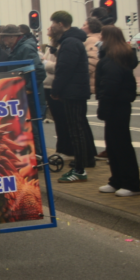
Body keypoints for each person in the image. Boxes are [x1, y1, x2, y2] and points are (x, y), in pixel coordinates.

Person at [95, 25, 140, 196]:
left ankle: (131, 184)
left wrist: (103, 108)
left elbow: (109, 86)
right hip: (118, 105)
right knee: (114, 144)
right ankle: (117, 180)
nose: (99, 39)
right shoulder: (117, 57)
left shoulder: (112, 60)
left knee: (120, 145)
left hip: (116, 106)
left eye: (102, 36)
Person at [48, 11, 93, 183]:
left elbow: (64, 70)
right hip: (75, 91)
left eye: (53, 23)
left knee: (76, 130)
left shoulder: (69, 43)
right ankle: (82, 164)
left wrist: (56, 90)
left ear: (60, 24)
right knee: (77, 129)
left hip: (73, 93)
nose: (51, 26)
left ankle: (79, 169)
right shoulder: (72, 41)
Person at [82, 17, 102, 97]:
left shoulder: (91, 40)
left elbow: (93, 60)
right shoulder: (97, 38)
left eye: (84, 25)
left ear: (91, 27)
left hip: (91, 81)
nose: (82, 27)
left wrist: (84, 74)